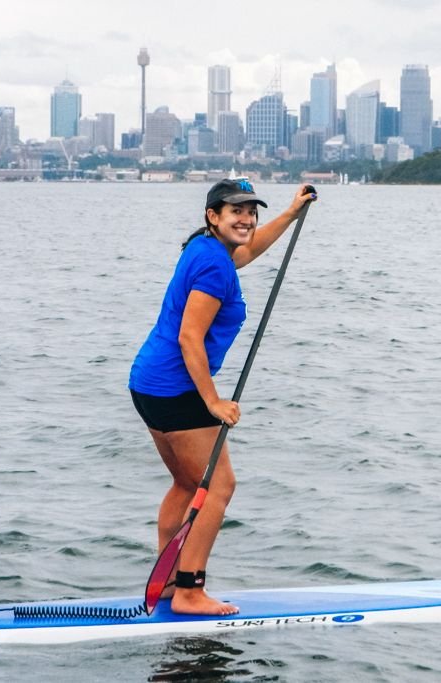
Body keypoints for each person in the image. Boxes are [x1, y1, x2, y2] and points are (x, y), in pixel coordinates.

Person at [129, 179, 316, 615]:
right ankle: (190, 591)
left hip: (149, 382)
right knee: (217, 487)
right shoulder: (215, 266)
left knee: (186, 483)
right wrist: (213, 401)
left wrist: (289, 213)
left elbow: (248, 251)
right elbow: (190, 338)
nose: (246, 219)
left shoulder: (205, 249)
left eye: (251, 211)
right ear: (213, 216)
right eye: (236, 211)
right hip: (178, 388)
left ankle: (171, 583)